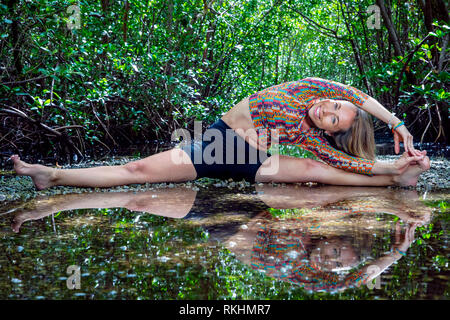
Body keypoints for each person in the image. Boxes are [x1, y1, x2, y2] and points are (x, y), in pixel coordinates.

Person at [10, 77, 430, 189]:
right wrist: (397, 123)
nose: (330, 110)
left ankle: (396, 176)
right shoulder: (308, 89)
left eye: (334, 120)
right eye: (335, 106)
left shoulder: (311, 139)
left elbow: (344, 160)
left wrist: (391, 166)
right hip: (215, 146)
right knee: (136, 170)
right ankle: (54, 174)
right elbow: (354, 94)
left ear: (330, 130)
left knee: (316, 169)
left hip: (252, 161)